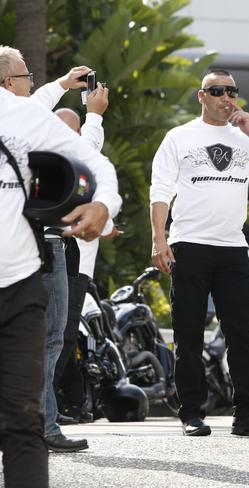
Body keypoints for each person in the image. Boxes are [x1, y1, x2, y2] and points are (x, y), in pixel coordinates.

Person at [0, 49, 121, 487]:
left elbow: (96, 166)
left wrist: (104, 204)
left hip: (19, 284)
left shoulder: (22, 116)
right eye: (25, 76)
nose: (30, 82)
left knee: (22, 421)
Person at [150, 68, 249, 437]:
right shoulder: (179, 137)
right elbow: (161, 190)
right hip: (189, 245)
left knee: (241, 334)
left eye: (231, 91)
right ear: (201, 96)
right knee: (189, 335)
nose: (226, 97)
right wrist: (158, 241)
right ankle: (192, 413)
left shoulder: (244, 137)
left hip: (232, 248)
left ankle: (247, 415)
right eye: (217, 91)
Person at [53, 88, 111, 426]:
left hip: (77, 268)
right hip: (48, 263)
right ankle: (46, 410)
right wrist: (95, 114)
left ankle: (54, 408)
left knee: (63, 337)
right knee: (53, 338)